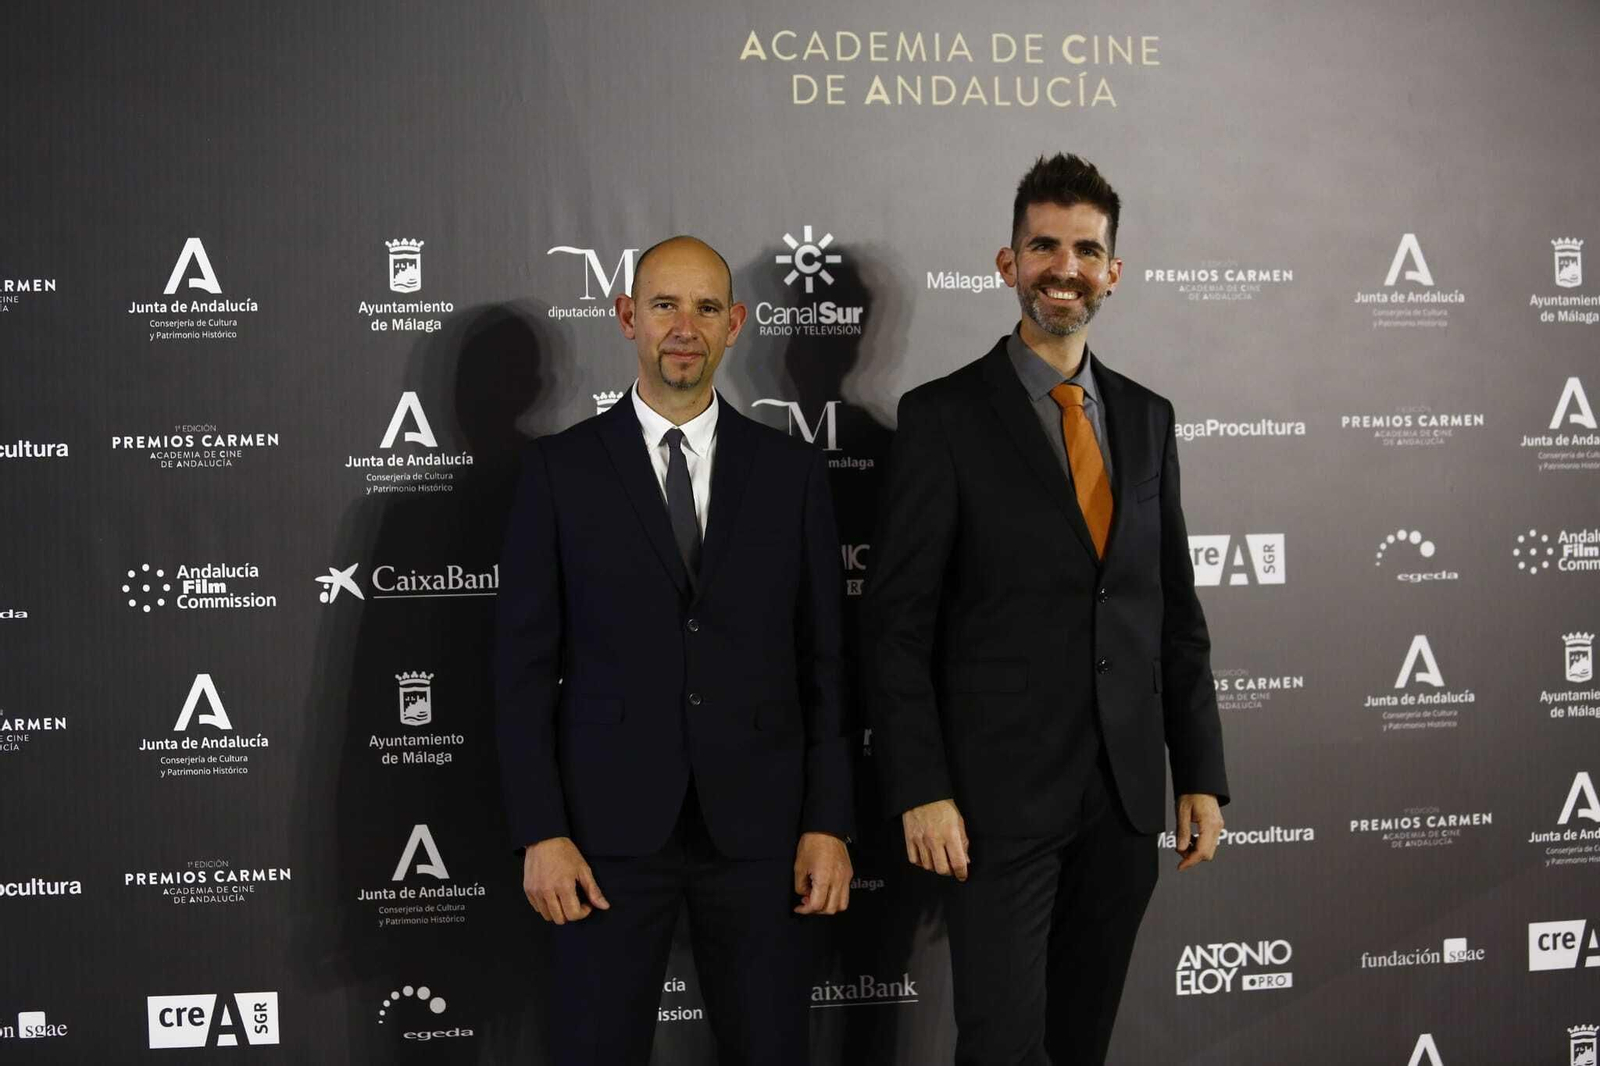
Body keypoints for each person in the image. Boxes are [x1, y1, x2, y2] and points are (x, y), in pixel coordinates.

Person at [864, 154, 1230, 1066]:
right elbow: (897, 626)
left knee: (1081, 1042)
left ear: (1113, 269)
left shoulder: (1149, 418)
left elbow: (1172, 611)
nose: (1062, 268)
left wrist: (1199, 772)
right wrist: (922, 788)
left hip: (1122, 800)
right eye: (1043, 247)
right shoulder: (941, 417)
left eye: (1084, 249)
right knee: (1001, 1045)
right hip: (994, 806)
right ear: (1008, 262)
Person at [495, 235, 854, 1065]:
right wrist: (540, 831)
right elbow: (519, 673)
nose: (683, 327)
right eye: (663, 305)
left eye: (703, 308)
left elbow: (828, 664)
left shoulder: (791, 474)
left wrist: (829, 822)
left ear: (736, 324)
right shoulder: (559, 472)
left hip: (762, 838)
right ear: (627, 317)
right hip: (602, 840)